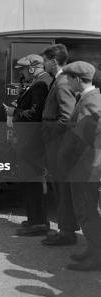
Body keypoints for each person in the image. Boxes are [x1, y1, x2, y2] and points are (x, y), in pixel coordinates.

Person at [58, 61, 101, 271]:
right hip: (87, 165)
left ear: (76, 79)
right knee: (87, 209)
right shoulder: (90, 97)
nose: (65, 81)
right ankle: (92, 249)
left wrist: (66, 162)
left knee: (86, 211)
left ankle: (97, 256)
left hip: (85, 166)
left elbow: (83, 139)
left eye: (67, 77)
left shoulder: (89, 101)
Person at [5, 54, 53, 236]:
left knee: (33, 180)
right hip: (32, 140)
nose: (22, 74)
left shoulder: (41, 83)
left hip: (32, 141)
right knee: (32, 180)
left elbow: (35, 114)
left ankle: (38, 223)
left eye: (23, 70)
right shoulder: (41, 81)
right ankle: (35, 219)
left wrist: (14, 111)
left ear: (32, 68)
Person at [40, 44, 78, 246]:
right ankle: (67, 229)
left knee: (62, 189)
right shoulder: (61, 80)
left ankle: (67, 232)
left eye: (45, 60)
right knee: (61, 188)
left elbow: (67, 118)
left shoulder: (62, 83)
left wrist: (48, 129)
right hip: (56, 143)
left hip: (58, 144)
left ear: (53, 61)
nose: (43, 64)